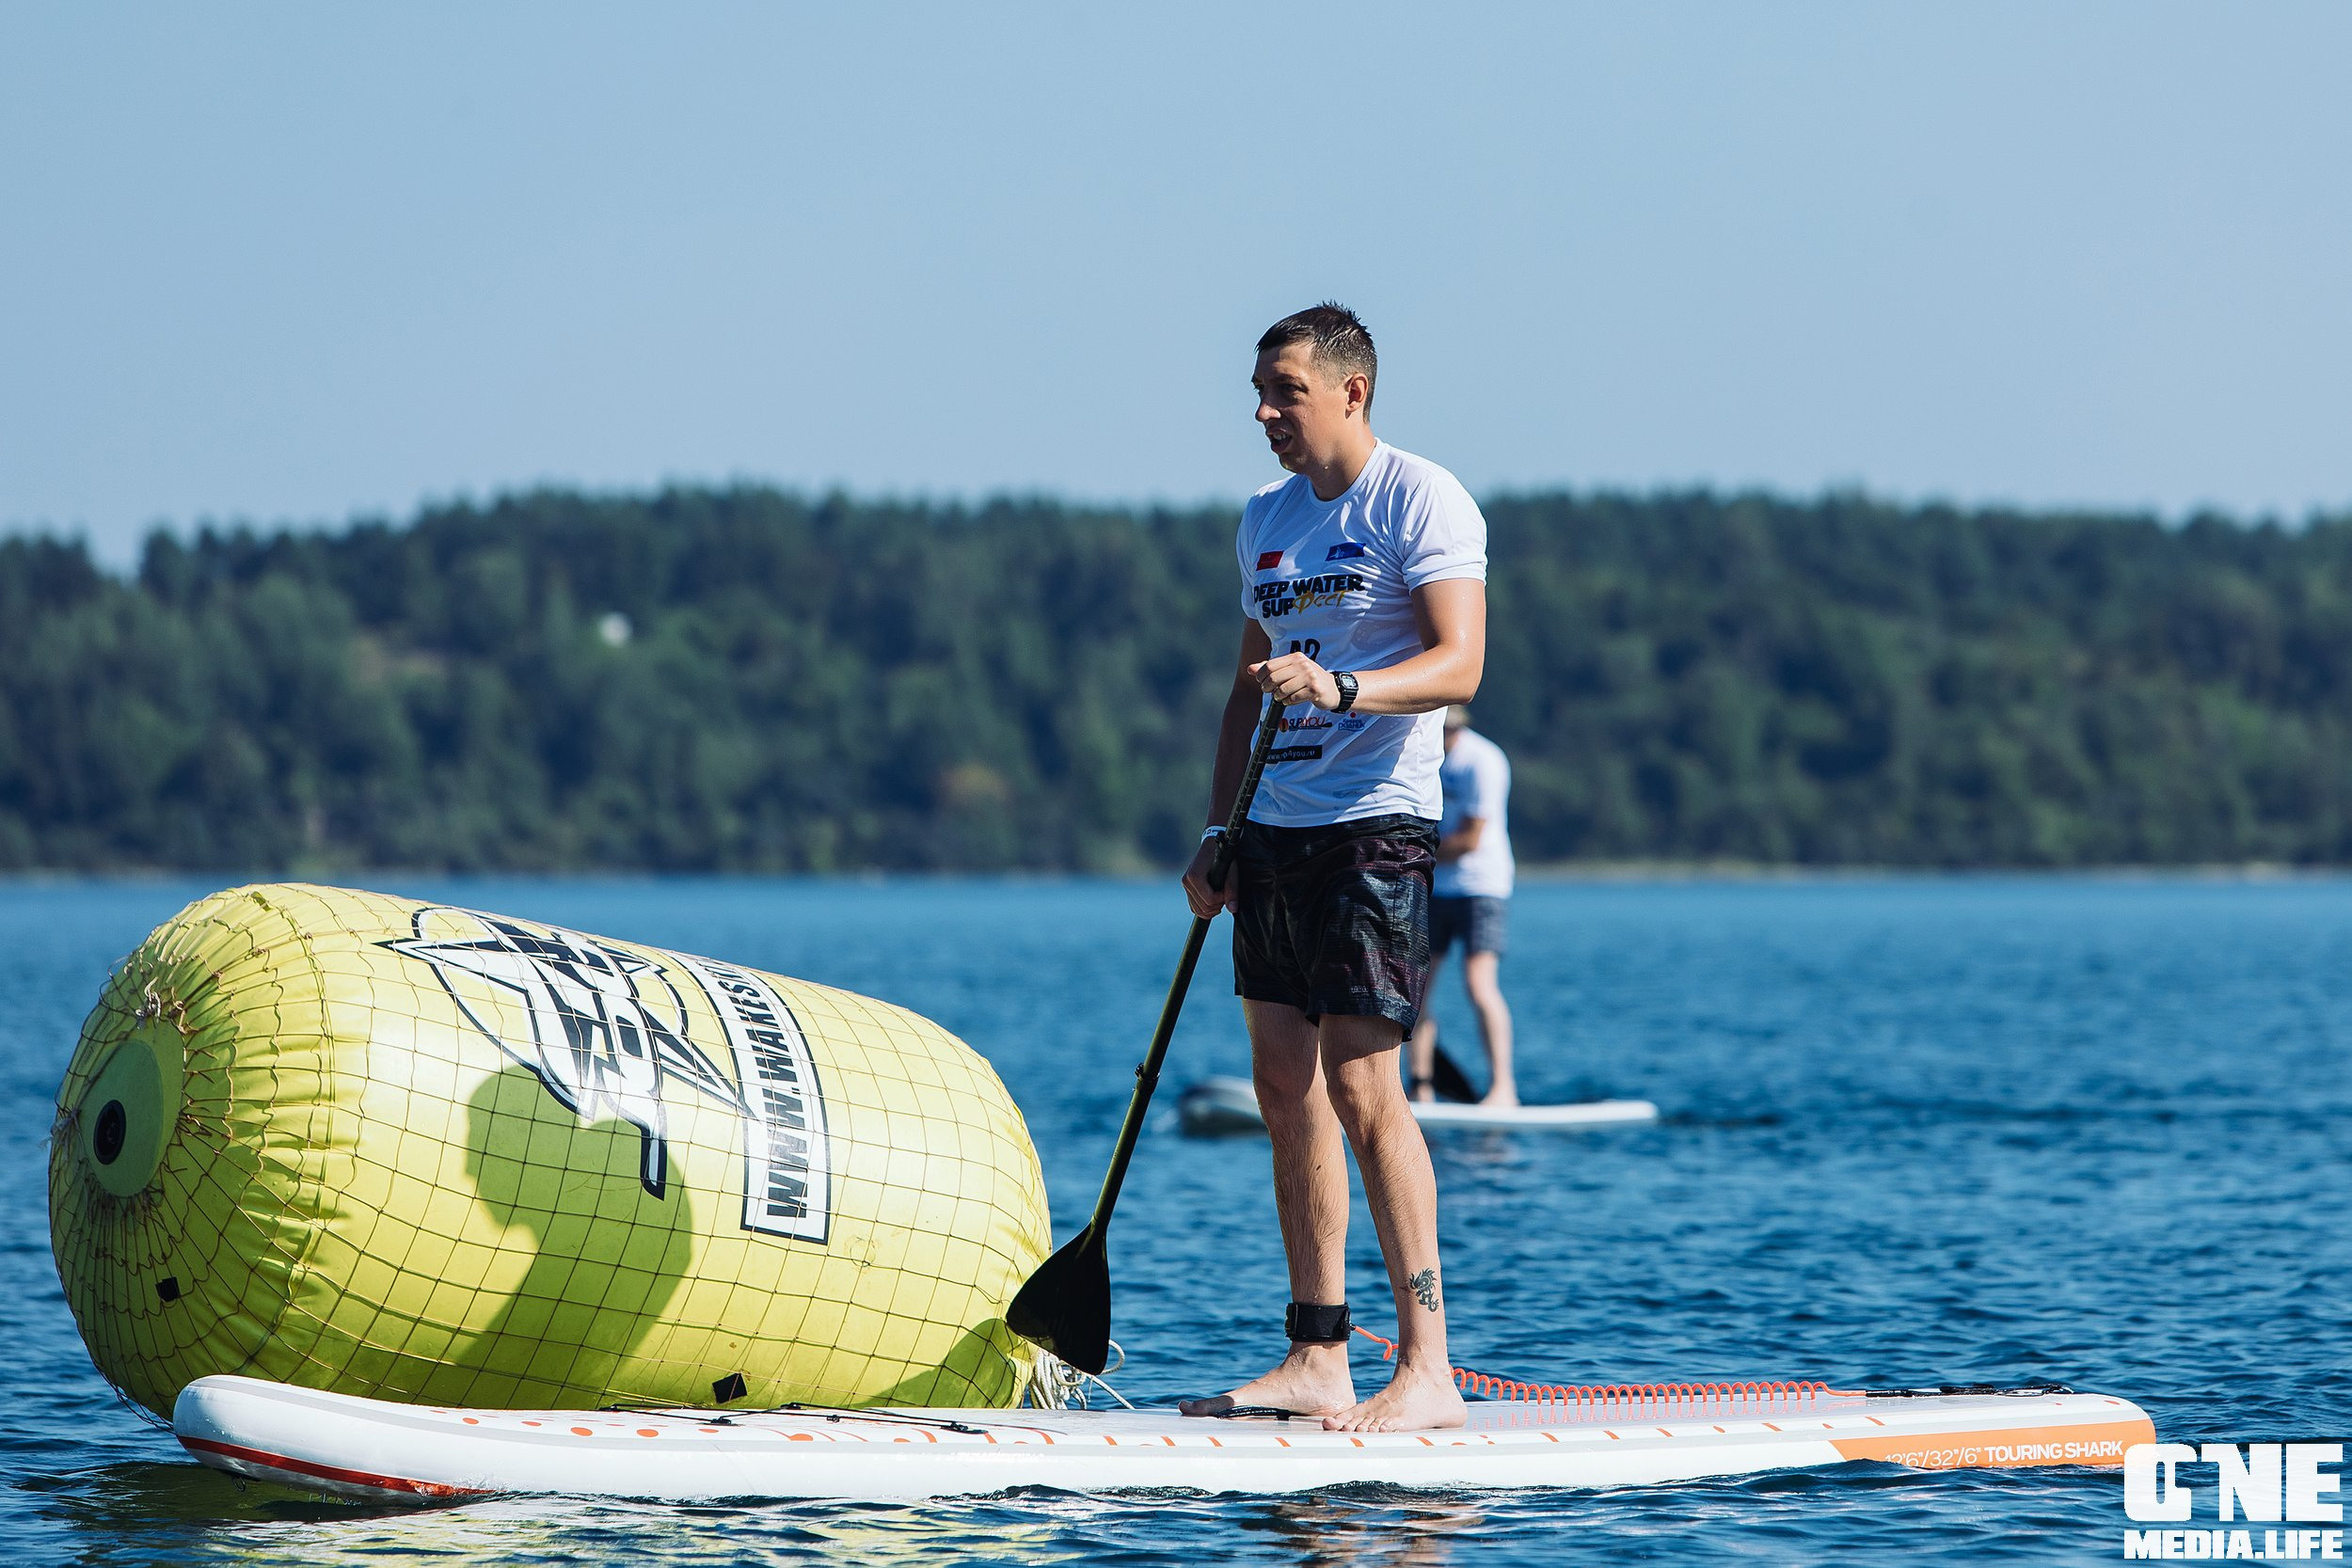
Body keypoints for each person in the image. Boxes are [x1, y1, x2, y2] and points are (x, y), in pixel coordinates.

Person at [1175, 303, 1485, 1433]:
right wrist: (1218, 832)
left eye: (1284, 391)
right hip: (1272, 827)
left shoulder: (1419, 497)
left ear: (1350, 391)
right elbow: (1242, 688)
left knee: (1364, 1085)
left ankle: (1429, 1368)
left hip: (1374, 821)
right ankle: (1317, 1353)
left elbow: (1462, 665)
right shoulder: (1262, 518)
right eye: (1258, 393)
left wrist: (1346, 689)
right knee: (1281, 1084)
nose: (1263, 413)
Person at [1408, 708, 1518, 1107]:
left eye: (1448, 728)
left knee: (1478, 983)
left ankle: (1503, 1088)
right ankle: (1420, 1087)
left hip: (1480, 886)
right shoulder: (1422, 754)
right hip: (1435, 885)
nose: (1442, 733)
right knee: (1416, 990)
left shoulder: (1482, 761)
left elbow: (1470, 839)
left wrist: (1411, 853)